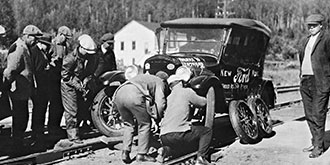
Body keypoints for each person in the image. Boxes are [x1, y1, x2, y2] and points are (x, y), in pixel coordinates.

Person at [158, 66, 213, 165]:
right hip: (178, 133)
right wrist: (207, 97)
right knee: (206, 132)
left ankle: (165, 151)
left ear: (171, 87)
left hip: (163, 136)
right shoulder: (186, 92)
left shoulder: (169, 98)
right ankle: (201, 158)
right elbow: (203, 103)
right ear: (181, 82)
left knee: (178, 146)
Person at [113, 66, 168, 163]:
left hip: (119, 93)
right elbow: (160, 103)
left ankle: (125, 152)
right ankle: (142, 154)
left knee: (128, 124)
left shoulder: (143, 78)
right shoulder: (159, 81)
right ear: (164, 80)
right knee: (144, 124)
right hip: (134, 96)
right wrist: (157, 118)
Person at [2, 25, 42, 147]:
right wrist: (6, 86)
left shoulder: (25, 47)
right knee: (20, 118)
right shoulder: (19, 48)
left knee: (22, 117)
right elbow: (10, 70)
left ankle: (18, 142)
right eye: (34, 38)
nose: (36, 41)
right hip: (18, 91)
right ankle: (17, 144)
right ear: (27, 36)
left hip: (23, 90)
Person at [299, 14, 330, 158]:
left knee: (318, 114)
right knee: (309, 114)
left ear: (321, 25)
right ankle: (316, 142)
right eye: (309, 26)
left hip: (320, 81)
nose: (311, 28)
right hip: (306, 81)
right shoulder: (305, 40)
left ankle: (318, 146)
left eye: (314, 25)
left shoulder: (327, 39)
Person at [61, 34, 98, 144]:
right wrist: (77, 84)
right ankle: (73, 136)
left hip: (81, 84)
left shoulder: (90, 57)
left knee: (82, 107)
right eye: (87, 52)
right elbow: (65, 76)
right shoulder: (70, 59)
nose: (88, 55)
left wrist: (87, 79)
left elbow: (90, 71)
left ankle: (80, 129)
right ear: (81, 48)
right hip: (68, 85)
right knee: (72, 110)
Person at [47, 26, 72, 142]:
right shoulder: (51, 44)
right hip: (52, 78)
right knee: (54, 104)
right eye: (65, 37)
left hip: (61, 77)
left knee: (60, 104)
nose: (66, 40)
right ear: (60, 34)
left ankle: (56, 126)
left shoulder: (65, 46)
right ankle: (52, 128)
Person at [30, 34, 53, 149]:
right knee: (38, 111)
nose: (48, 47)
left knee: (41, 110)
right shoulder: (34, 52)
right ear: (41, 43)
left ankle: (39, 133)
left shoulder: (42, 52)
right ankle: (36, 134)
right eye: (46, 45)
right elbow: (35, 70)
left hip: (43, 86)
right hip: (38, 86)